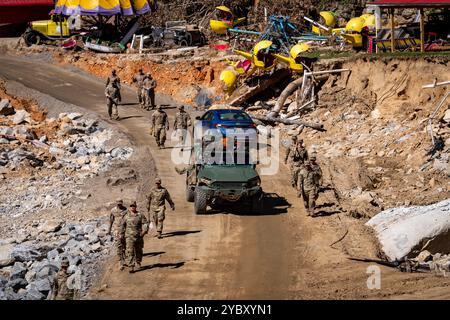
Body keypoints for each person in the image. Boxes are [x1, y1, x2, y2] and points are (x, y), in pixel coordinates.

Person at [120, 201, 149, 273]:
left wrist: (144, 231)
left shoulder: (140, 215)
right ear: (129, 207)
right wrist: (121, 234)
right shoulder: (126, 216)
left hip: (139, 236)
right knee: (129, 251)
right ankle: (131, 266)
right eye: (131, 206)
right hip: (129, 237)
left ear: (136, 206)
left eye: (134, 206)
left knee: (139, 250)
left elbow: (145, 223)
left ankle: (138, 261)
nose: (132, 207)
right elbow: (122, 226)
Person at [108, 199, 128, 270]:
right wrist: (109, 230)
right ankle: (120, 261)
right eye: (118, 203)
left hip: (125, 230)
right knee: (118, 245)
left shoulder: (126, 210)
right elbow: (111, 221)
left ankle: (125, 257)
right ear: (116, 203)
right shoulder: (113, 210)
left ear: (122, 203)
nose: (119, 205)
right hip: (116, 231)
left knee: (124, 244)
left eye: (120, 203)